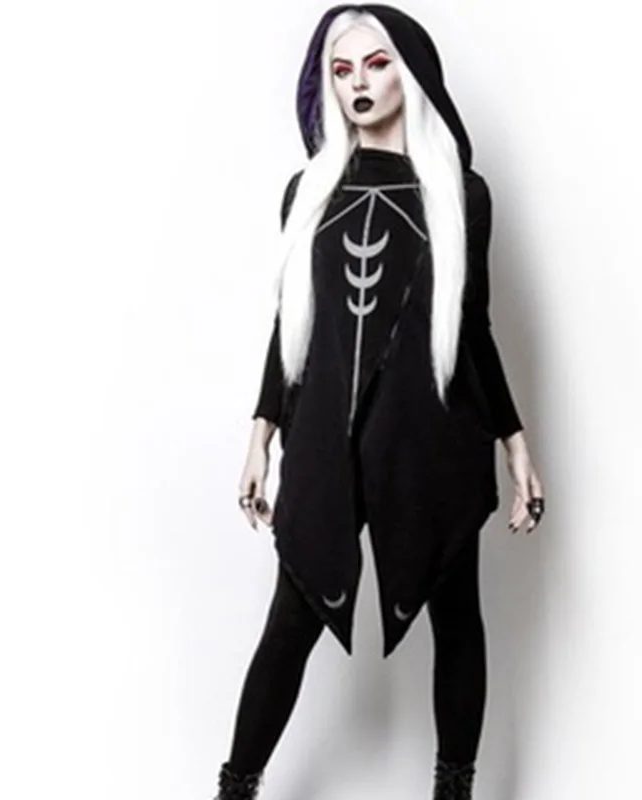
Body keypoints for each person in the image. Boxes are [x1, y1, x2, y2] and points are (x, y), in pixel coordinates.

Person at [213, 5, 545, 798]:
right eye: (342, 70)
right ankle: (234, 788)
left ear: (413, 74)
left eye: (377, 64)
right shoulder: (309, 192)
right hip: (324, 440)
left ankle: (454, 791)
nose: (359, 83)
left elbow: (472, 328)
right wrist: (261, 432)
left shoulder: (462, 196)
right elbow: (293, 325)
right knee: (290, 624)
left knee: (456, 618)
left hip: (432, 442)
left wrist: (515, 442)